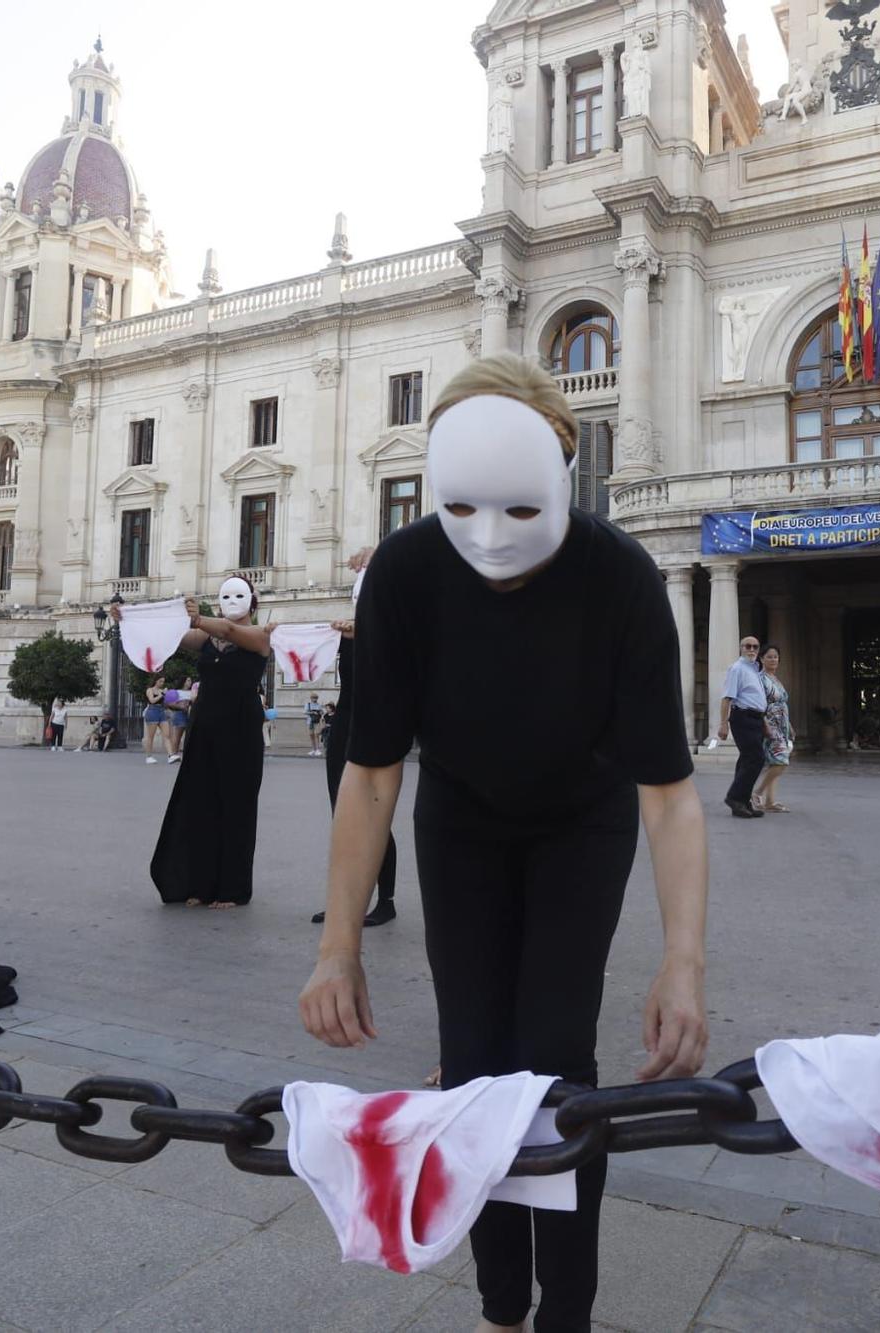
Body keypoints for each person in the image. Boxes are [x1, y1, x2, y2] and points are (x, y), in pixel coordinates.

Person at [299, 356, 708, 1333]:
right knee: (476, 1060)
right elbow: (370, 773)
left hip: (583, 816)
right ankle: (498, 1310)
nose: (488, 538)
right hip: (464, 820)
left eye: (517, 510)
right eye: (461, 506)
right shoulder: (402, 570)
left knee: (555, 1059)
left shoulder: (617, 575)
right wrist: (337, 944)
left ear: (560, 468)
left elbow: (668, 794)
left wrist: (681, 962)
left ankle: (565, 1311)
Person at [130, 577, 274, 908]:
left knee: (236, 804)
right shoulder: (206, 636)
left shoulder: (260, 635)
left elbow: (231, 632)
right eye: (226, 595)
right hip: (205, 723)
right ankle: (200, 883)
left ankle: (233, 889)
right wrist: (130, 618)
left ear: (252, 601)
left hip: (240, 725)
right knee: (201, 801)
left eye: (239, 595)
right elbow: (169, 635)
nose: (232, 600)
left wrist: (197, 618)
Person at [312, 546, 398, 930]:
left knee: (376, 814)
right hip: (346, 720)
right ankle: (345, 902)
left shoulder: (395, 629)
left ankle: (386, 900)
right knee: (342, 813)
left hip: (378, 721)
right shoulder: (346, 634)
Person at [717, 634, 767, 818]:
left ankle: (743, 802)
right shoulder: (737, 669)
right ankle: (734, 797)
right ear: (741, 648)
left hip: (755, 719)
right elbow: (727, 698)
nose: (752, 650)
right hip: (742, 717)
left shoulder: (754, 669)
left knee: (747, 759)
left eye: (755, 646)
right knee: (756, 758)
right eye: (748, 646)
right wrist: (723, 724)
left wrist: (764, 722)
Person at [751, 644, 794, 813]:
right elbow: (759, 703)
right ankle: (757, 793)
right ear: (761, 659)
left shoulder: (776, 679)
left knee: (774, 763)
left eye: (776, 656)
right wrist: (764, 724)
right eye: (769, 656)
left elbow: (782, 703)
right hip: (769, 725)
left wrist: (789, 725)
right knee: (781, 761)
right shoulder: (760, 679)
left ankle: (770, 801)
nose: (773, 659)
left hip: (781, 726)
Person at [141, 677, 170, 763]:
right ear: (155, 681)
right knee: (150, 736)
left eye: (163, 682)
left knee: (167, 735)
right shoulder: (150, 690)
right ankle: (149, 756)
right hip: (152, 711)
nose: (162, 683)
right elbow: (152, 700)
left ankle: (171, 755)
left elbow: (165, 703)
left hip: (161, 711)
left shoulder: (162, 691)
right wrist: (162, 694)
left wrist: (167, 697)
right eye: (160, 681)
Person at [165, 678, 191, 763]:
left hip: (189, 714)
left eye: (190, 681)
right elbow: (169, 703)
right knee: (177, 736)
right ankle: (173, 754)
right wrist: (180, 706)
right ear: (183, 682)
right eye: (188, 680)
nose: (190, 682)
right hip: (179, 714)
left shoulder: (191, 692)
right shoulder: (177, 692)